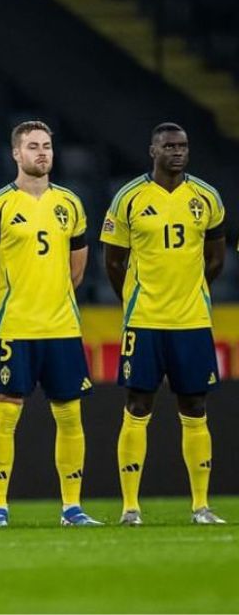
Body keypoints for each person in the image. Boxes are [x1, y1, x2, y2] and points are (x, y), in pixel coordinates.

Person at [0, 121, 100, 527]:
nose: (42, 152)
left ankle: (72, 507)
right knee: (6, 415)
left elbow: (77, 269)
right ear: (16, 153)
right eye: (32, 146)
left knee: (70, 416)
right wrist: (9, 306)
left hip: (61, 328)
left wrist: (52, 300)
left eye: (46, 146)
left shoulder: (70, 204)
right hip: (15, 329)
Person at [102, 122, 227, 525]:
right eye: (169, 146)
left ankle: (201, 506)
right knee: (138, 405)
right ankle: (130, 508)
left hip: (191, 320)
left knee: (195, 406)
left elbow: (216, 257)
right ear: (153, 151)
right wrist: (134, 300)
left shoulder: (206, 197)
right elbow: (113, 262)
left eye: (183, 146)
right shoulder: (129, 198)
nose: (178, 152)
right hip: (145, 320)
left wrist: (191, 291)